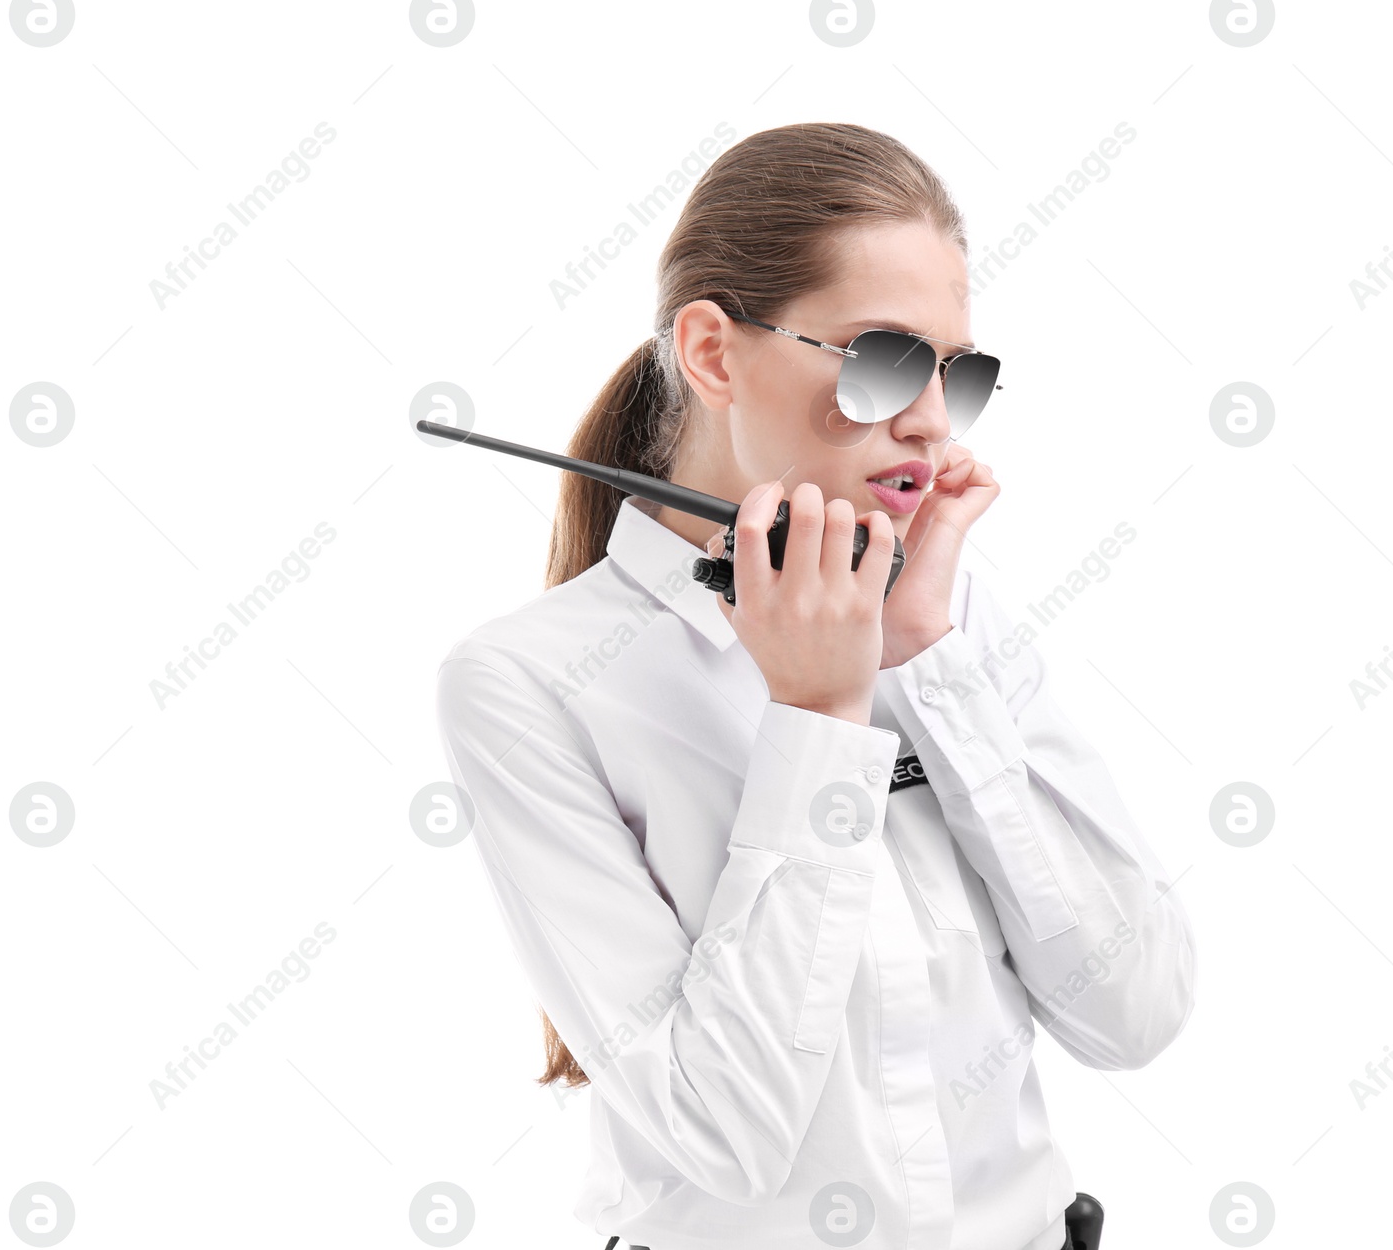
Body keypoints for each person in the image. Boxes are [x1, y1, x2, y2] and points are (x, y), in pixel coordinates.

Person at [432, 121, 1195, 1250]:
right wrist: (818, 720)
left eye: (957, 374)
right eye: (882, 360)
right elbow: (724, 1132)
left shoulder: (949, 617)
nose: (931, 422)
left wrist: (931, 662)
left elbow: (1134, 1014)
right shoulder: (525, 684)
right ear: (712, 351)